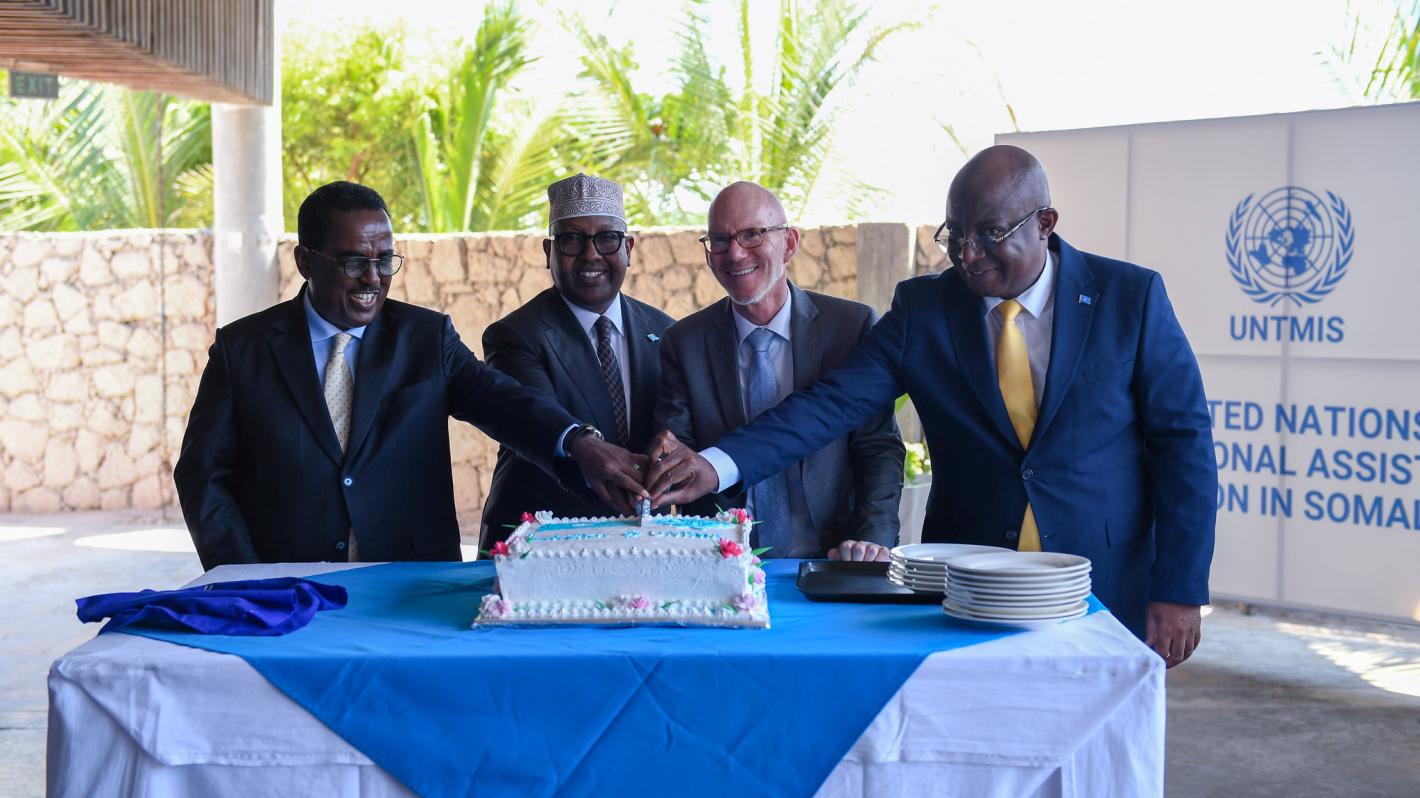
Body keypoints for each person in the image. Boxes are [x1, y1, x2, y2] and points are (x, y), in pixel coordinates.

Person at [645, 147, 1217, 666]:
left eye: (990, 233)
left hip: (1104, 578)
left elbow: (1183, 445)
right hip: (965, 586)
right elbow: (829, 405)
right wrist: (715, 463)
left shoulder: (1130, 299)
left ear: (1045, 223)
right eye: (956, 234)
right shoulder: (926, 310)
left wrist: (1180, 589)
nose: (967, 255)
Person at [175, 181, 644, 570]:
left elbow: (500, 399)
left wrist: (577, 441)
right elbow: (203, 476)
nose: (374, 278)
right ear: (305, 262)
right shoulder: (243, 350)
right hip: (287, 587)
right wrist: (239, 577)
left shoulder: (425, 337)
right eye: (354, 261)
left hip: (410, 580)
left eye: (385, 260)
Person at [654, 181, 904, 561]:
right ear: (708, 256)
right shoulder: (683, 343)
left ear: (788, 243)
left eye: (752, 234)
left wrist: (873, 540)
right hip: (725, 565)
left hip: (835, 560)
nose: (735, 253)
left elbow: (877, 448)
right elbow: (679, 453)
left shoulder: (850, 327)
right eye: (719, 240)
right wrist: (663, 460)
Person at [479, 174, 675, 548]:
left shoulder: (666, 332)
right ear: (547, 252)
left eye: (607, 238)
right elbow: (535, 417)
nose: (591, 254)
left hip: (647, 545)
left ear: (629, 249)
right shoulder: (515, 335)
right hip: (542, 545)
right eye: (571, 240)